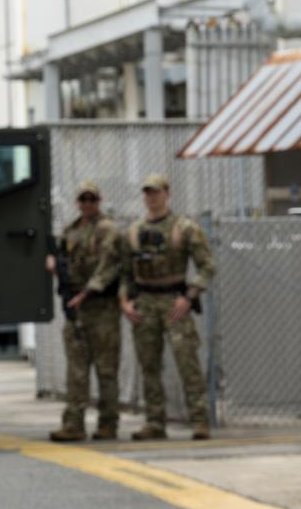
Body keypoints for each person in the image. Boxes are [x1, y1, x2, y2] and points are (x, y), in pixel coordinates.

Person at [121, 173, 214, 441]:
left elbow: (207, 266)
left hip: (174, 301)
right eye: (147, 193)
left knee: (187, 362)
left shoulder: (185, 228)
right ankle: (154, 422)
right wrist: (126, 303)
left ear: (167, 194)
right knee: (148, 365)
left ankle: (199, 420)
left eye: (157, 192)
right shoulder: (134, 231)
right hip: (145, 303)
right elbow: (126, 273)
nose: (152, 197)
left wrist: (189, 295)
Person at [46, 180, 123, 442]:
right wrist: (54, 265)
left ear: (99, 201)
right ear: (77, 202)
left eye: (92, 199)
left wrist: (86, 293)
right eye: (83, 199)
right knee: (76, 370)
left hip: (101, 307)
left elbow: (109, 266)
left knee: (106, 370)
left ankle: (108, 423)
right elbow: (63, 262)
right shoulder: (70, 230)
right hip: (76, 307)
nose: (87, 204)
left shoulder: (108, 229)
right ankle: (74, 424)